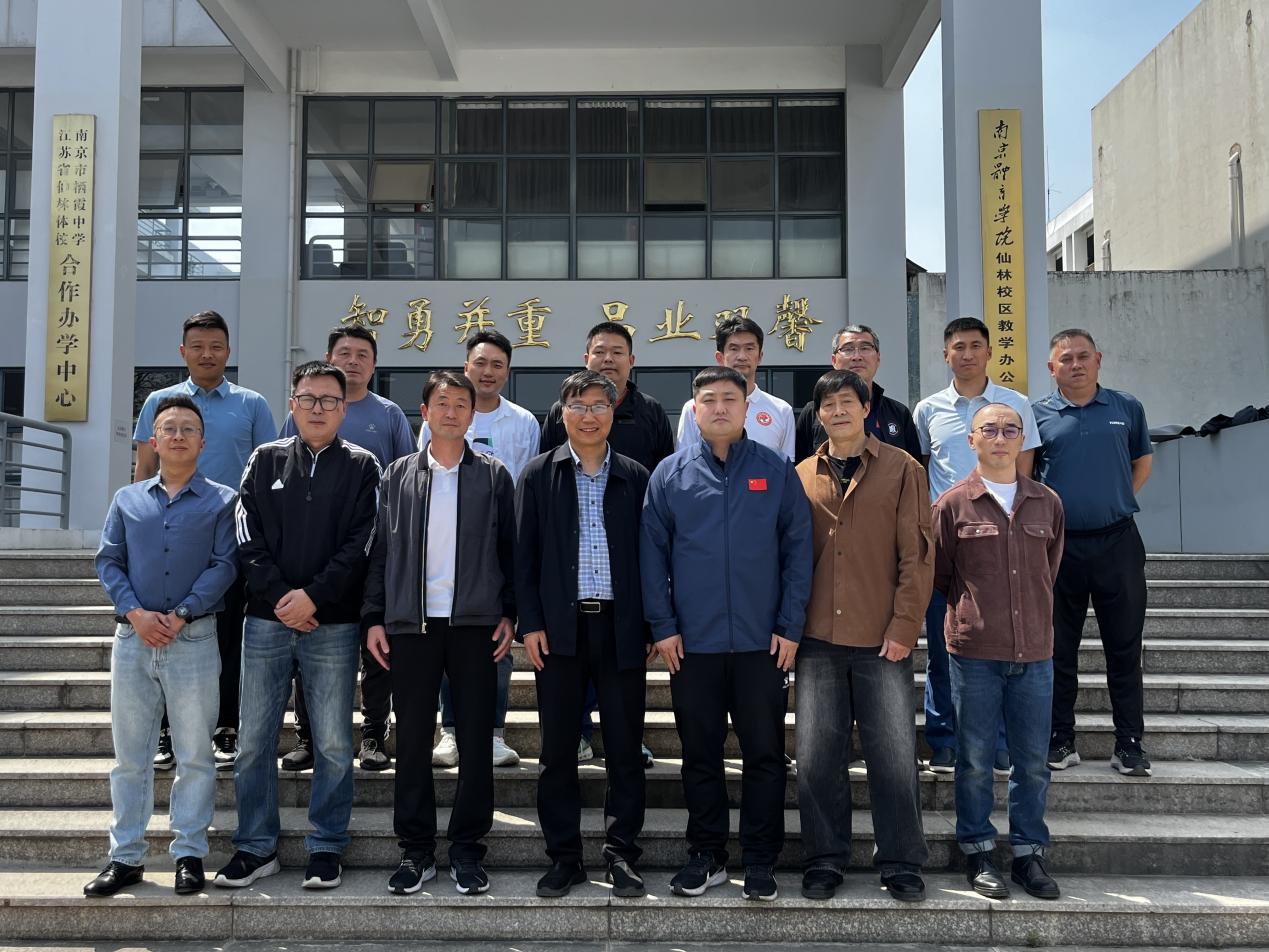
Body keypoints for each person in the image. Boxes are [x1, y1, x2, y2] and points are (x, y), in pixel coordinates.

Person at [641, 367, 812, 902]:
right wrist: (663, 627)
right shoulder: (670, 474)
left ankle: (760, 859)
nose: (719, 408)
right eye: (708, 400)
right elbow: (652, 556)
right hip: (693, 645)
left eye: (729, 399)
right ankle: (707, 854)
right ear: (693, 410)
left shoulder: (775, 470)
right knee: (700, 753)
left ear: (746, 408)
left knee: (764, 753)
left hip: (764, 644)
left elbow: (798, 550)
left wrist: (790, 625)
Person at [214, 362, 381, 892]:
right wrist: (281, 596)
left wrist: (314, 596)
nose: (317, 408)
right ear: (292, 404)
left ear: (344, 407)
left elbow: (363, 542)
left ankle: (327, 845)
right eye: (308, 398)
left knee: (332, 742)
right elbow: (246, 533)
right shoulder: (264, 459)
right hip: (266, 621)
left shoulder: (363, 466)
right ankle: (255, 845)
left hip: (333, 624)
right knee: (254, 741)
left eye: (329, 400)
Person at [364, 370, 516, 897]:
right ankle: (416, 850)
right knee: (411, 740)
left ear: (473, 415)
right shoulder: (398, 475)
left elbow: (510, 548)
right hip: (412, 625)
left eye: (461, 404)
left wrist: (510, 613)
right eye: (442, 403)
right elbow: (381, 551)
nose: (451, 412)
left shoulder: (493, 476)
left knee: (475, 741)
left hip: (476, 625)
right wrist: (375, 617)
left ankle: (468, 850)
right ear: (424, 413)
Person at [87, 396, 238, 898]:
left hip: (193, 638)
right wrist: (135, 612)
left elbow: (225, 565)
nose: (177, 436)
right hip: (133, 639)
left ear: (202, 442)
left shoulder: (222, 501)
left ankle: (188, 853)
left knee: (194, 754)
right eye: (168, 428)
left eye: (187, 429)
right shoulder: (127, 499)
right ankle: (125, 857)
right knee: (131, 757)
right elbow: (109, 561)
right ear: (153, 441)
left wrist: (182, 613)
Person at [793, 370, 932, 902]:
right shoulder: (801, 475)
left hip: (881, 638)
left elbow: (917, 556)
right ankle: (825, 859)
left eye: (848, 402)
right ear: (818, 415)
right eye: (828, 405)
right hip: (817, 639)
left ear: (866, 408)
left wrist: (904, 626)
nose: (839, 412)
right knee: (816, 757)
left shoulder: (902, 468)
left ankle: (901, 861)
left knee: (893, 755)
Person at [516, 370, 651, 899]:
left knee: (624, 749)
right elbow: (522, 557)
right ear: (562, 413)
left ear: (613, 411)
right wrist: (530, 623)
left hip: (621, 628)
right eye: (578, 405)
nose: (589, 415)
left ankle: (621, 855)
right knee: (556, 752)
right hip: (559, 632)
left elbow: (654, 557)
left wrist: (649, 626)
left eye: (599, 405)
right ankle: (564, 858)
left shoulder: (637, 476)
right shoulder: (538, 474)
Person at [133, 310, 276, 771]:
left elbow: (267, 473)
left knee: (229, 636)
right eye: (197, 346)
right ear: (183, 352)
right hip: (170, 537)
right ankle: (165, 731)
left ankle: (226, 726)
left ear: (228, 352)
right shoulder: (160, 401)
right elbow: (143, 470)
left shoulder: (252, 404)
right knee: (165, 634)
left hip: (232, 540)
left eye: (215, 346)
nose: (207, 354)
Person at [932, 403, 1064, 900]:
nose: (1001, 438)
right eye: (989, 429)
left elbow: (1049, 568)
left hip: (1035, 652)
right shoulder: (952, 505)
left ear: (1023, 439)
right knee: (974, 759)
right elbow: (941, 575)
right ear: (972, 440)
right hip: (975, 654)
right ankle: (979, 851)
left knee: (1032, 762)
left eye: (1011, 429)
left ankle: (1029, 854)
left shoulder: (1047, 502)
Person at [279, 325, 414, 774]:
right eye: (344, 353)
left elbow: (406, 478)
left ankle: (374, 733)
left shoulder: (389, 414)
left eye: (362, 355)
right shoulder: (303, 411)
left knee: (377, 650)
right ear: (329, 358)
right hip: (315, 559)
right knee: (308, 648)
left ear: (374, 365)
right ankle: (307, 735)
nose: (353, 361)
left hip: (375, 554)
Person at [540, 320, 674, 767]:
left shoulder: (650, 412)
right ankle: (578, 734)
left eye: (618, 352)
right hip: (573, 570)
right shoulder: (559, 413)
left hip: (627, 562)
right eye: (600, 351)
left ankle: (627, 742)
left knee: (623, 691)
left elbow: (663, 482)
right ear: (586, 359)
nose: (608, 359)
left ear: (632, 361)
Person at [913, 317, 1040, 775]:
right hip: (946, 541)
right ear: (945, 355)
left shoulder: (1015, 405)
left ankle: (999, 743)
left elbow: (1025, 472)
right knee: (943, 643)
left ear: (989, 352)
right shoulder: (927, 410)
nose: (967, 354)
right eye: (958, 347)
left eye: (975, 346)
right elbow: (921, 473)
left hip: (1003, 541)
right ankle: (944, 739)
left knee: (1001, 646)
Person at [1032, 329, 1154, 777]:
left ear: (1098, 359)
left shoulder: (1127, 408)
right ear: (1052, 368)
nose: (1076, 364)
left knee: (1123, 647)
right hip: (1059, 547)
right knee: (1058, 648)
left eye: (1083, 356)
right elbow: (1027, 477)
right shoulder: (1037, 415)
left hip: (1118, 543)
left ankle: (1130, 743)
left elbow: (1142, 463)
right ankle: (1061, 738)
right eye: (1066, 359)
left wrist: (1114, 500)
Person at [420, 330, 538, 771]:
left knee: (496, 646)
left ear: (507, 372)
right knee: (445, 646)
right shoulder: (440, 416)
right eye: (480, 363)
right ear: (466, 365)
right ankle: (450, 731)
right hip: (445, 550)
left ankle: (493, 734)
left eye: (497, 365)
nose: (488, 372)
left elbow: (527, 486)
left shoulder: (523, 422)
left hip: (496, 548)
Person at [793, 325, 921, 463]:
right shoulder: (813, 412)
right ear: (834, 360)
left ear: (878, 358)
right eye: (848, 349)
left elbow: (914, 467)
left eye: (865, 348)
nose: (857, 357)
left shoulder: (898, 413)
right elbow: (801, 468)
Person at [677, 316, 796, 459]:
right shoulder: (695, 408)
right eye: (734, 349)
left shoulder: (782, 410)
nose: (742, 356)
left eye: (749, 348)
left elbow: (786, 465)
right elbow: (685, 462)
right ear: (720, 357)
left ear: (760, 356)